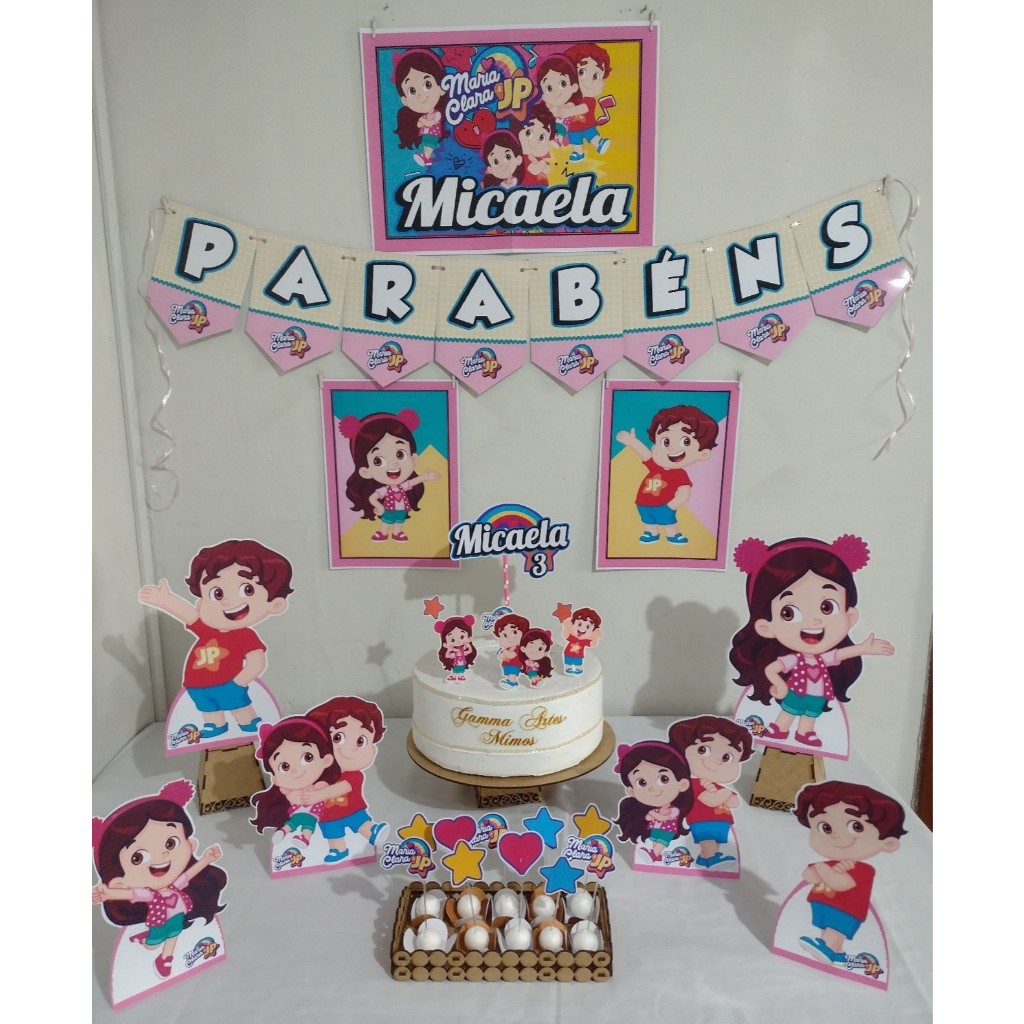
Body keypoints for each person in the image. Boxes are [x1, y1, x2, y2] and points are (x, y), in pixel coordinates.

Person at [729, 535, 894, 747]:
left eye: (827, 607)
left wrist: (863, 648)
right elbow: (772, 669)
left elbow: (840, 654)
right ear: (765, 627)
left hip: (818, 695)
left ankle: (805, 733)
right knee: (790, 710)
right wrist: (780, 685)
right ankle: (780, 728)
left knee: (811, 713)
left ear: (850, 616)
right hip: (795, 692)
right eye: (789, 613)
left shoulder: (822, 659)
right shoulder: (794, 660)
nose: (814, 620)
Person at [138, 539, 293, 738]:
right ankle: (215, 725)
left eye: (247, 590)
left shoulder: (244, 635)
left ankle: (250, 724)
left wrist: (238, 683)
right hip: (196, 686)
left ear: (275, 604)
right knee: (208, 709)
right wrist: (166, 601)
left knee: (239, 707)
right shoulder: (208, 630)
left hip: (229, 683)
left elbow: (257, 662)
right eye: (217, 593)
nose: (226, 600)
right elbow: (188, 614)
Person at [92, 780, 227, 979]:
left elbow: (189, 874)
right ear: (119, 880)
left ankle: (165, 958)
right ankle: (146, 939)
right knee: (152, 944)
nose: (162, 855)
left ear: (190, 845)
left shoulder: (176, 886)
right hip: (158, 922)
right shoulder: (149, 894)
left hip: (177, 916)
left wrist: (206, 859)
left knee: (174, 934)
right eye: (137, 858)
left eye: (171, 843)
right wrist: (108, 894)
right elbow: (129, 893)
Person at [792, 780, 906, 965]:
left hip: (845, 909)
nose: (835, 835)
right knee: (828, 929)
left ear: (888, 843)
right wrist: (817, 870)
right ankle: (838, 954)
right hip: (824, 904)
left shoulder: (863, 869)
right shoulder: (828, 863)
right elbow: (808, 876)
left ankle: (827, 948)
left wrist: (823, 870)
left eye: (856, 826)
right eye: (825, 827)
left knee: (834, 931)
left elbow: (841, 884)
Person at [300, 697, 390, 864]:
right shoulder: (317, 775)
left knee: (361, 823)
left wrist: (319, 795)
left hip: (353, 810)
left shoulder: (354, 775)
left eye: (361, 741)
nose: (350, 749)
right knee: (332, 833)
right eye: (337, 738)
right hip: (328, 816)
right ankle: (338, 850)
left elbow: (342, 788)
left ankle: (372, 832)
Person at [616, 405, 719, 545]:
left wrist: (671, 506)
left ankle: (673, 535)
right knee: (647, 520)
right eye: (665, 441)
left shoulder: (679, 473)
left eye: (685, 441)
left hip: (664, 505)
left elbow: (684, 493)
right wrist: (632, 442)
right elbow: (644, 454)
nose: (671, 447)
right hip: (642, 504)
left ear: (703, 454)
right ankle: (651, 533)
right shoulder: (655, 467)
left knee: (668, 522)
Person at [341, 409, 439, 543]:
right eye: (378, 461)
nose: (394, 464)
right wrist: (380, 507)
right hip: (389, 510)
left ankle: (398, 533)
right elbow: (373, 498)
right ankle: (383, 532)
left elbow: (411, 483)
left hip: (401, 510)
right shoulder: (385, 490)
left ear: (414, 459)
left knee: (399, 521)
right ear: (365, 471)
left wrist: (423, 477)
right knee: (387, 521)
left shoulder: (401, 487)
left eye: (400, 454)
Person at [667, 715, 753, 868]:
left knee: (717, 840)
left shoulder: (717, 786)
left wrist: (727, 795)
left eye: (727, 757)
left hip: (721, 819)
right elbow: (709, 800)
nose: (717, 760)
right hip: (702, 818)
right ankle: (712, 858)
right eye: (703, 749)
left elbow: (735, 803)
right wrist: (726, 794)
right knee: (707, 839)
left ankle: (704, 858)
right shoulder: (692, 784)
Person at [250, 717, 339, 849]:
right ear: (275, 779)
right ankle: (283, 832)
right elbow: (287, 793)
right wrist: (291, 795)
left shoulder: (323, 784)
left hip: (313, 812)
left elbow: (327, 792)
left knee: (308, 824)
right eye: (285, 766)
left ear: (326, 760)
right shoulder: (286, 789)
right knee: (292, 822)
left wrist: (321, 789)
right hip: (297, 811)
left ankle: (305, 838)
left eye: (307, 757)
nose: (295, 770)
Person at [614, 741, 693, 863]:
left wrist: (654, 815)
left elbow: (664, 817)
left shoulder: (674, 810)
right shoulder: (654, 809)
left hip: (666, 832)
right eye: (642, 783)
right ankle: (656, 855)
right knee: (656, 842)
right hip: (656, 830)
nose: (651, 788)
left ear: (682, 784)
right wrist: (650, 815)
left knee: (660, 843)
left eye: (664, 779)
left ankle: (653, 854)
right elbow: (648, 817)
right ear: (631, 791)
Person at [393, 48, 449, 168]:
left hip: (433, 134)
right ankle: (426, 158)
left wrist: (424, 121)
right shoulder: (423, 115)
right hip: (426, 134)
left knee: (429, 146)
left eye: (427, 84)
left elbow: (431, 122)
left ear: (441, 88)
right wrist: (421, 121)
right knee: (426, 145)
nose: (420, 95)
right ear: (405, 100)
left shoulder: (437, 113)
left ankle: (426, 157)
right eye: (412, 91)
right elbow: (419, 125)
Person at [563, 42, 614, 160]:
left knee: (592, 136)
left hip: (587, 126)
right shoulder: (567, 98)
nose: (588, 81)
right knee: (575, 140)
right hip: (573, 129)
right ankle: (578, 153)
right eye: (581, 72)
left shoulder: (589, 100)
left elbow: (582, 108)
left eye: (596, 76)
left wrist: (568, 111)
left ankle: (599, 143)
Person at [435, 615, 477, 682]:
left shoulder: (463, 652)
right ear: (445, 644)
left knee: (461, 671)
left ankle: (460, 676)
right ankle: (453, 676)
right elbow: (447, 656)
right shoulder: (454, 654)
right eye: (452, 640)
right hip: (456, 665)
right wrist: (449, 650)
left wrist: (468, 645)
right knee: (455, 671)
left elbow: (470, 651)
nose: (458, 641)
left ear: (469, 638)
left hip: (462, 664)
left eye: (462, 637)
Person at [561, 606, 602, 674]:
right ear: (573, 623)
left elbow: (593, 644)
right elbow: (566, 635)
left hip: (578, 656)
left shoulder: (584, 641)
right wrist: (566, 626)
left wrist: (596, 636)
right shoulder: (572, 638)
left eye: (588, 627)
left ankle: (578, 669)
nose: (582, 629)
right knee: (568, 661)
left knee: (578, 663)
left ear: (593, 630)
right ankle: (568, 668)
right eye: (579, 624)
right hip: (568, 653)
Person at [494, 612, 530, 689]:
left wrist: (504, 652)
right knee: (509, 673)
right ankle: (510, 681)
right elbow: (500, 656)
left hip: (515, 664)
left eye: (514, 632)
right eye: (504, 635)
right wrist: (501, 653)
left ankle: (512, 682)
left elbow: (512, 655)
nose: (509, 638)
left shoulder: (517, 648)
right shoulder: (508, 648)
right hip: (508, 664)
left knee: (512, 674)